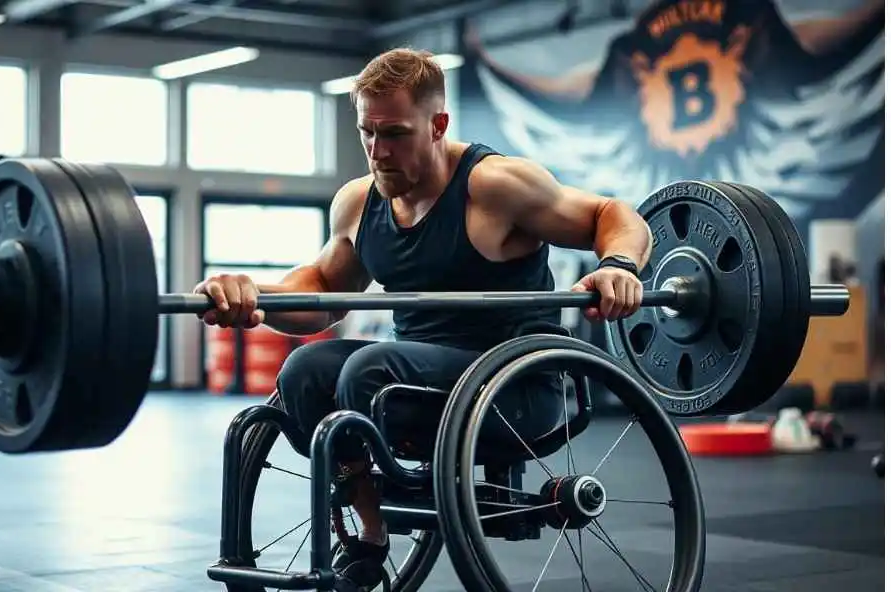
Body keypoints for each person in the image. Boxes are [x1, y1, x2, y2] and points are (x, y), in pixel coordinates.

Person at [194, 48, 651, 589]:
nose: (377, 151)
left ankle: (380, 499)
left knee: (368, 369)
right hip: (412, 382)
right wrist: (249, 293)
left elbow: (610, 215)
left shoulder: (495, 186)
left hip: (513, 389)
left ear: (437, 125)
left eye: (394, 134)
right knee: (304, 372)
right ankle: (371, 530)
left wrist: (618, 265)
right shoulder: (360, 203)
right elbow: (318, 289)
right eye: (368, 132)